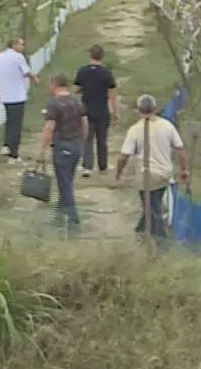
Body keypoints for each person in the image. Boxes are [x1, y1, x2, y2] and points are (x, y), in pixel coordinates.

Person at [115, 93, 187, 242]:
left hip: (146, 176)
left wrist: (118, 173)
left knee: (153, 211)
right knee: (151, 205)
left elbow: (123, 156)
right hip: (165, 174)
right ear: (155, 108)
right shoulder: (167, 125)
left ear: (139, 110)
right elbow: (180, 148)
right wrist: (184, 169)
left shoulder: (135, 129)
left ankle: (161, 244)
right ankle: (139, 232)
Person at [38, 74, 89, 227]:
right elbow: (84, 122)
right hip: (76, 145)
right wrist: (82, 141)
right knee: (67, 181)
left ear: (54, 84)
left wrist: (42, 149)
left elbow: (49, 127)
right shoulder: (76, 101)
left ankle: (73, 220)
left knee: (65, 184)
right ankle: (60, 214)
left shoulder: (54, 104)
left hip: (62, 146)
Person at [0, 37, 38, 161]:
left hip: (5, 96)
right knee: (16, 124)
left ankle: (6, 145)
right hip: (17, 96)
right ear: (14, 45)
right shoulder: (18, 57)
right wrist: (34, 78)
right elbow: (27, 72)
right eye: (22, 44)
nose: (23, 47)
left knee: (10, 121)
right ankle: (13, 153)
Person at [73, 44, 118, 174]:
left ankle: (87, 166)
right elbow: (112, 94)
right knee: (102, 139)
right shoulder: (107, 73)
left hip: (86, 110)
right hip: (102, 110)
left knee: (87, 138)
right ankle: (102, 166)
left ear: (90, 55)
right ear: (102, 57)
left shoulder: (82, 71)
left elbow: (76, 89)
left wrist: (85, 87)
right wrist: (115, 112)